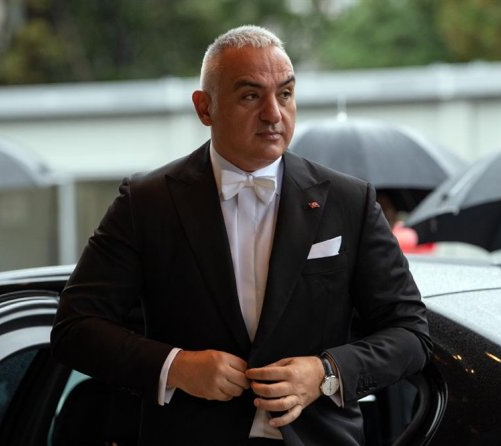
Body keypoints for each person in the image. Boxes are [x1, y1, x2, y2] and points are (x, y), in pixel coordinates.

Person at [51, 25, 431, 446]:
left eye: (285, 94)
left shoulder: (348, 201)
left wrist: (326, 373)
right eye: (251, 96)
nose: (273, 114)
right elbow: (75, 327)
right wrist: (177, 366)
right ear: (205, 108)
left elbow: (410, 333)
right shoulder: (147, 202)